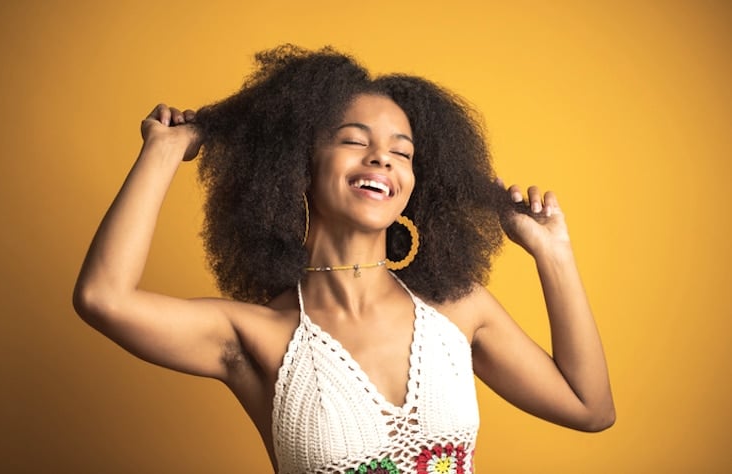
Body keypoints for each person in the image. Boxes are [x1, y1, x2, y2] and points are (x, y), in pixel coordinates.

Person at [73, 45, 614, 473]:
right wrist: (163, 151)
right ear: (298, 167)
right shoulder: (258, 336)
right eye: (355, 141)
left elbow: (590, 409)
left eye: (402, 152)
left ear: (412, 184)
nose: (381, 156)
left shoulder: (458, 312)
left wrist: (553, 253)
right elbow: (103, 298)